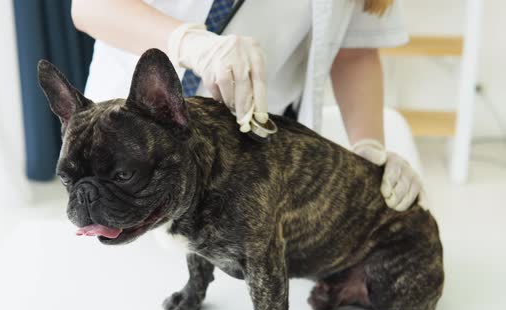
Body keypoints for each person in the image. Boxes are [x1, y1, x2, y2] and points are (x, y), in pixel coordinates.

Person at [71, 0, 423, 211]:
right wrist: (190, 44)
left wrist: (368, 148)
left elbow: (355, 52)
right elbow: (89, 6)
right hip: (124, 147)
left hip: (246, 149)